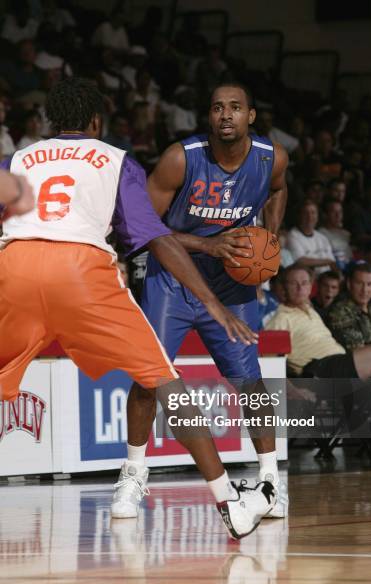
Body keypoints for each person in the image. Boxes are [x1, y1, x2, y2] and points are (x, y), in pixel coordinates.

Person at [0, 77, 275, 540]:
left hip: (15, 266)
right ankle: (231, 504)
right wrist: (212, 301)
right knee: (166, 382)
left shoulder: (19, 158)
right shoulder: (114, 160)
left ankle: (137, 477)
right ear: (96, 121)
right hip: (79, 269)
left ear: (50, 122)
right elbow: (157, 238)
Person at [113, 81, 290, 521]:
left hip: (231, 283)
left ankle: (271, 480)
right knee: (149, 378)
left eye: (235, 107)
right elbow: (141, 228)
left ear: (251, 116)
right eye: (217, 108)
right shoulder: (180, 159)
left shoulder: (272, 158)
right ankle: (134, 473)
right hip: (172, 278)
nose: (225, 114)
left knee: (250, 382)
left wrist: (272, 233)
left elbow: (280, 189)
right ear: (208, 117)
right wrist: (206, 246)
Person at [266, 264, 371, 458]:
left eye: (305, 283)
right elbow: (270, 366)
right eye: (294, 283)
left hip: (343, 371)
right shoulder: (279, 320)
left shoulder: (311, 311)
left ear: (311, 286)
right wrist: (294, 389)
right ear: (283, 288)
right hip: (321, 372)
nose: (300, 288)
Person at [286, 199, 336, 275]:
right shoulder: (292, 236)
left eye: (313, 213)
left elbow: (332, 262)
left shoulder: (322, 238)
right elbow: (300, 261)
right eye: (305, 213)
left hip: (327, 278)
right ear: (299, 215)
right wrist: (326, 261)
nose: (310, 217)